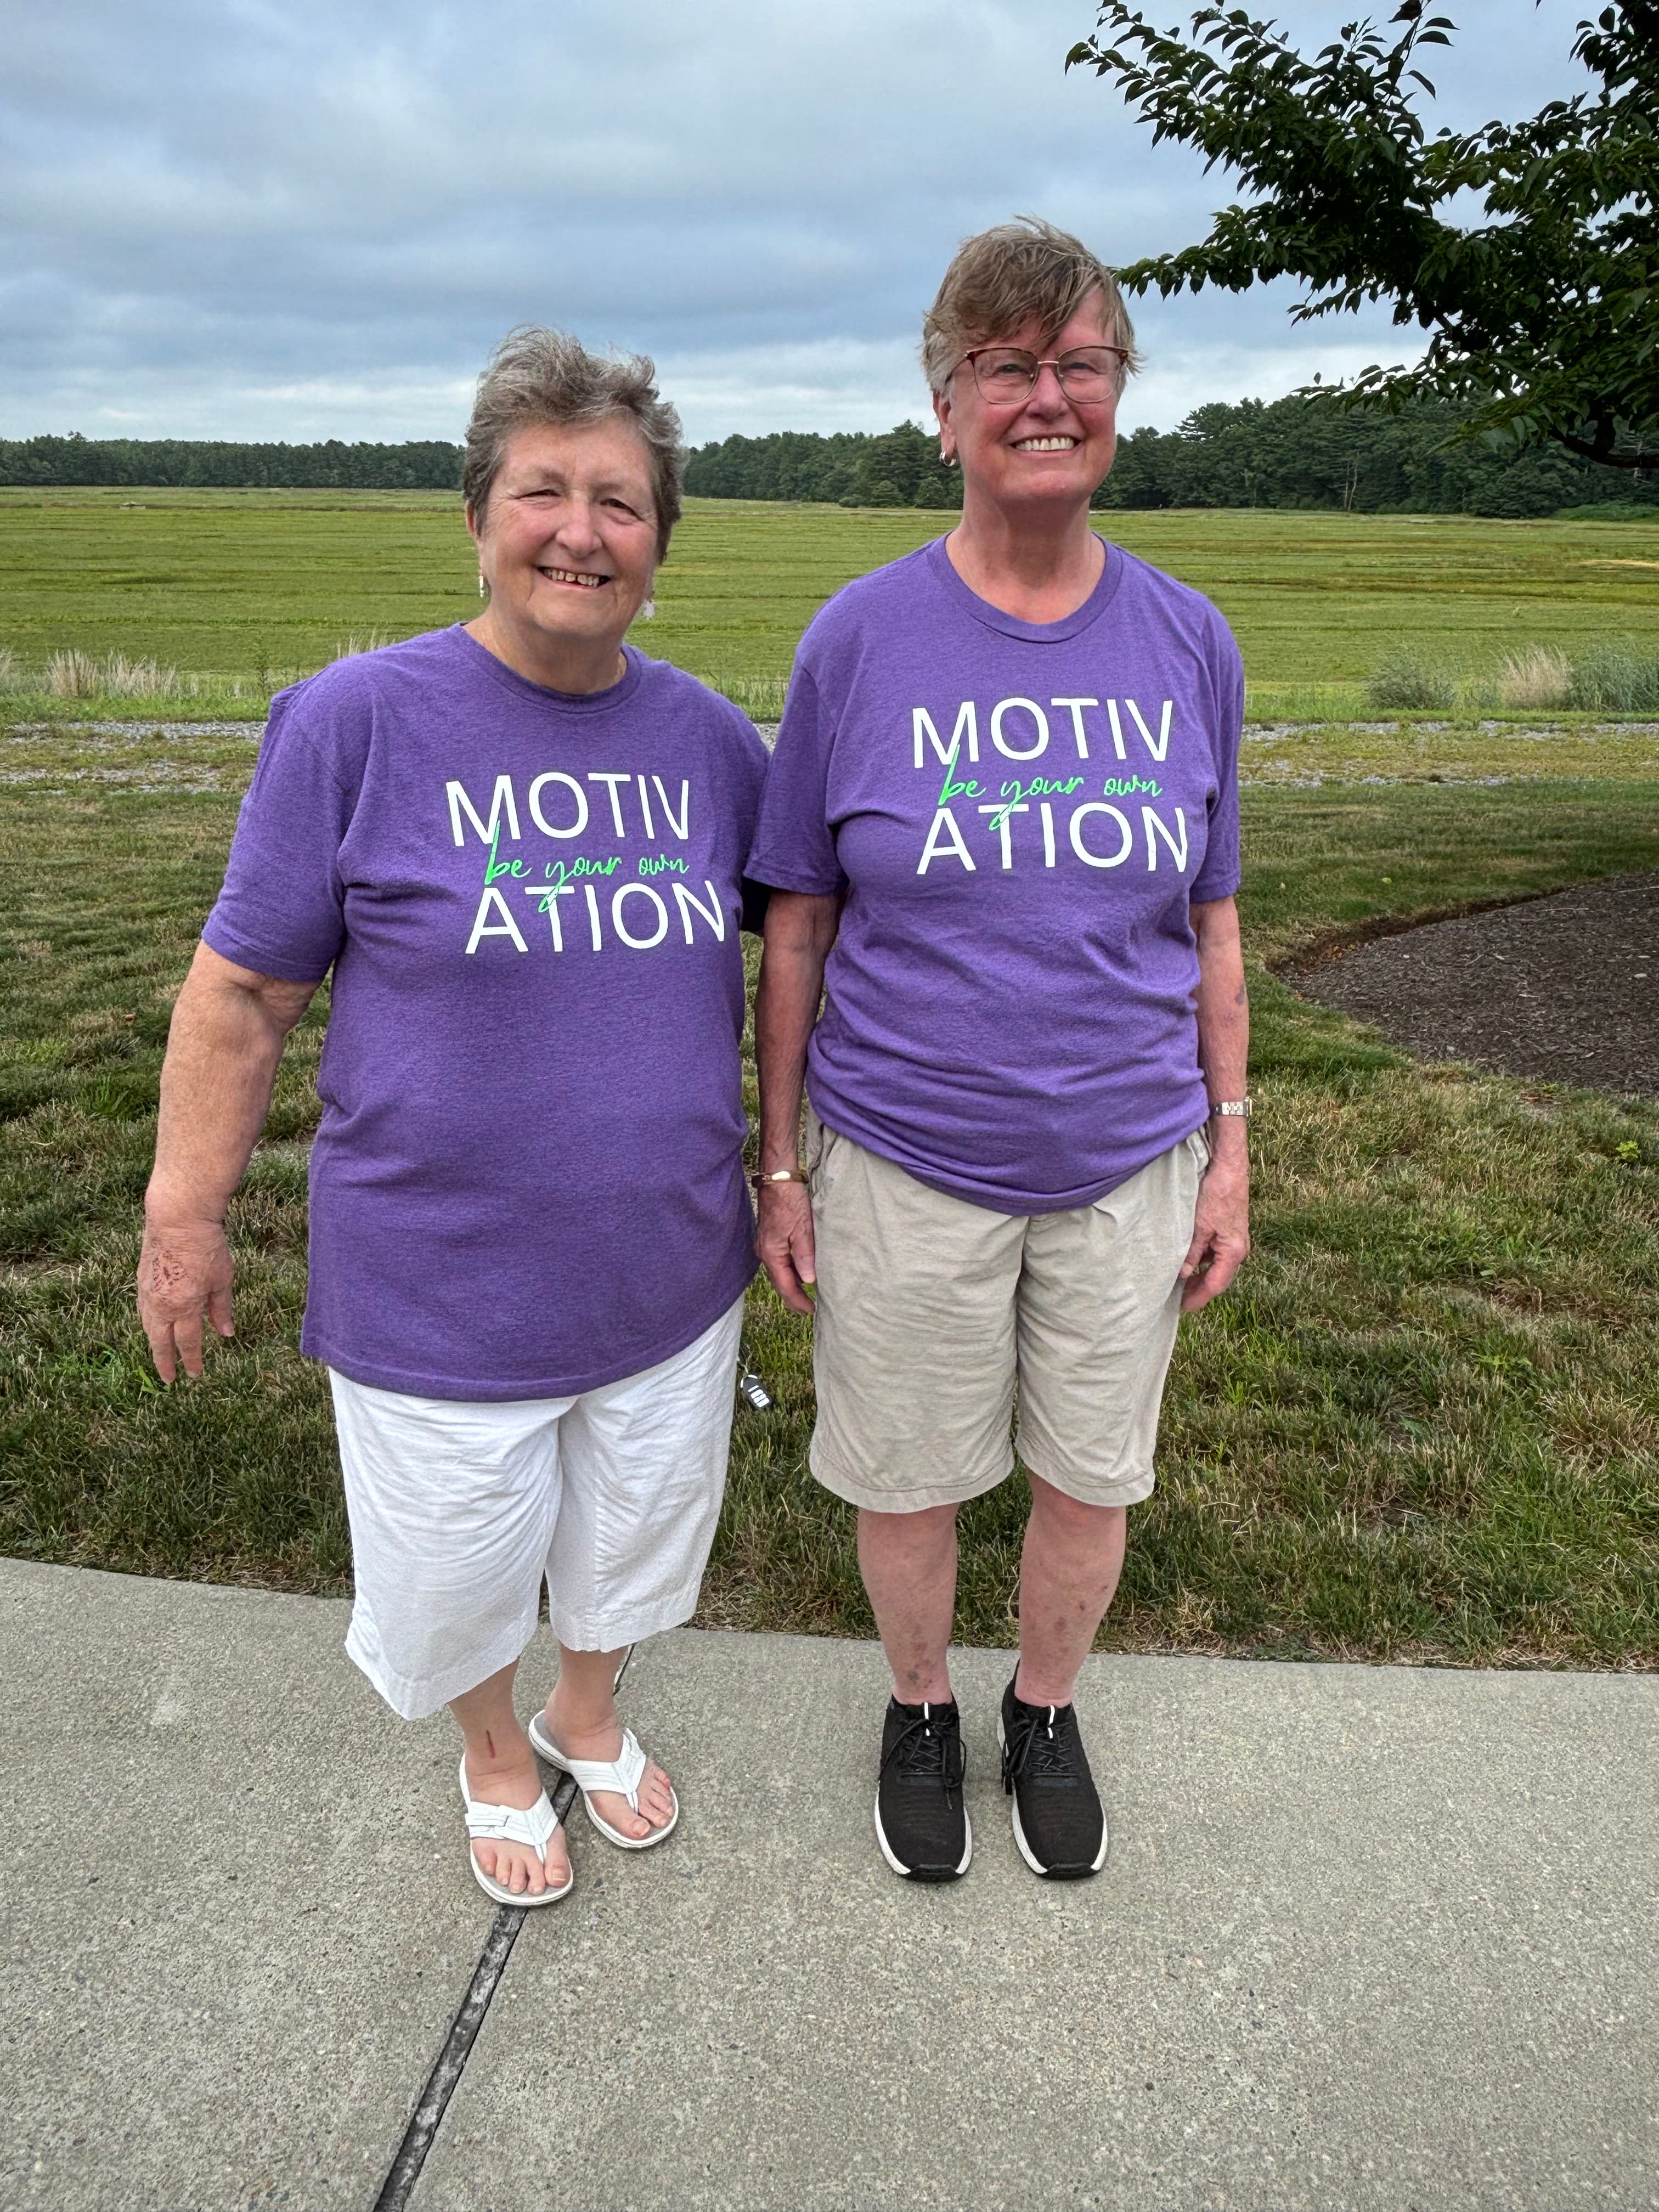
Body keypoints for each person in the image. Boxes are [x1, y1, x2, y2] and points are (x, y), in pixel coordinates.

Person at [138, 327, 769, 1906]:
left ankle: (589, 1707)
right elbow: (241, 997)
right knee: (461, 1557)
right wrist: (183, 1215)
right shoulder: (357, 721)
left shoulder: (708, 742)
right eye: (544, 490)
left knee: (633, 1529)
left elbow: (824, 936)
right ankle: (497, 1749)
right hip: (440, 1274)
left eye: (621, 502)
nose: (582, 530)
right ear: (480, 515)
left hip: (669, 1261)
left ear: (661, 543)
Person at [747, 219, 1250, 1883]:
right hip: (901, 1149)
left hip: (1128, 1153)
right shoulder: (860, 639)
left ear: (1118, 395)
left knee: (1092, 1471)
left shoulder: (1188, 640)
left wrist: (1233, 1143)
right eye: (1009, 368)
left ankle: (1042, 1706)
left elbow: (1213, 917)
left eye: (1080, 365)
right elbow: (799, 921)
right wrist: (783, 1159)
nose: (1049, 396)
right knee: (908, 1472)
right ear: (948, 405)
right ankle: (917, 1706)